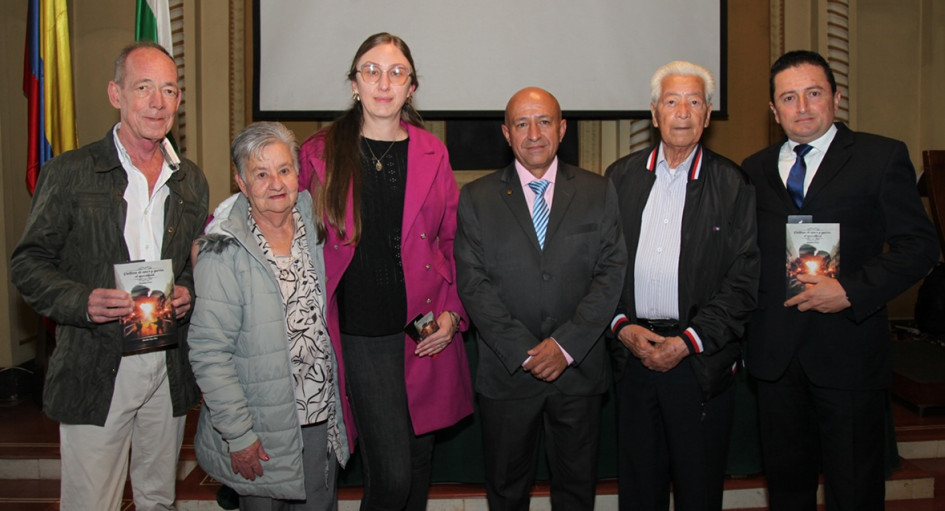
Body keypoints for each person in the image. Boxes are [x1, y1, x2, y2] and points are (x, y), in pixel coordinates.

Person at [9, 40, 208, 510]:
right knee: (90, 502)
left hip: (166, 368)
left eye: (169, 90)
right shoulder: (70, 172)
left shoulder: (191, 180)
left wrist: (189, 292)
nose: (158, 102)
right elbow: (28, 263)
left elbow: (199, 266)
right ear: (115, 94)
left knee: (158, 499)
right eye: (144, 88)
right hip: (96, 370)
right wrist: (82, 301)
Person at [741, 50, 939, 510]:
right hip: (777, 359)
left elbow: (919, 246)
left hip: (848, 354)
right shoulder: (753, 168)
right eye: (789, 98)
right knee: (788, 491)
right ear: (774, 110)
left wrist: (850, 290)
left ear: (836, 97)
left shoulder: (880, 156)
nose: (803, 107)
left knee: (854, 489)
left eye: (814, 93)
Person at [297, 32, 473, 511]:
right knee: (392, 476)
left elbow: (455, 240)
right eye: (371, 70)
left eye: (397, 72)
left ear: (411, 87)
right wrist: (217, 234)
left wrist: (454, 316)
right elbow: (268, 210)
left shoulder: (433, 152)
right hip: (360, 334)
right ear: (354, 83)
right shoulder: (319, 151)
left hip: (424, 331)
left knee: (417, 469)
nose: (383, 82)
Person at [455, 87, 627, 510]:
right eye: (521, 123)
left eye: (544, 121)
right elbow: (473, 284)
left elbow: (611, 274)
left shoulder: (598, 191)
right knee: (507, 492)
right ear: (506, 134)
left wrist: (565, 346)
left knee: (576, 492)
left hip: (578, 373)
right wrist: (526, 352)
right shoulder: (476, 198)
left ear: (562, 129)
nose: (534, 133)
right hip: (509, 372)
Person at [605, 61, 759, 510]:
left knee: (698, 488)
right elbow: (600, 266)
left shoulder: (732, 184)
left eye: (695, 102)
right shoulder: (619, 178)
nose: (683, 112)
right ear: (654, 113)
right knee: (638, 488)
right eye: (672, 101)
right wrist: (621, 327)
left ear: (708, 115)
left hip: (697, 362)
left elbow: (744, 279)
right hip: (633, 355)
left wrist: (688, 342)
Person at [188, 121, 349, 510]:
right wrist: (239, 435)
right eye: (261, 174)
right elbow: (209, 353)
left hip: (319, 420)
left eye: (284, 169)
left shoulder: (316, 224)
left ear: (298, 173)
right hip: (260, 429)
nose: (275, 183)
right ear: (241, 182)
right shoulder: (222, 252)